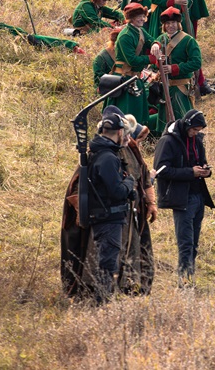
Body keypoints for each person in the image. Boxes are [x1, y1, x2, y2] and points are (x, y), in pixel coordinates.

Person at [153, 109, 213, 285]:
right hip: (181, 198)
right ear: (187, 125)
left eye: (199, 131)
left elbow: (201, 161)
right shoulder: (167, 141)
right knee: (185, 242)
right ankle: (183, 281)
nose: (196, 133)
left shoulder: (197, 141)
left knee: (194, 242)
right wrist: (190, 172)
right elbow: (161, 170)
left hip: (198, 196)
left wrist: (206, 171)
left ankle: (190, 277)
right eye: (194, 130)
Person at [84, 108, 135, 300]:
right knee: (107, 265)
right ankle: (102, 305)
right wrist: (130, 182)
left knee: (106, 263)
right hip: (109, 217)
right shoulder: (107, 158)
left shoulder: (101, 154)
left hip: (105, 216)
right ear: (120, 132)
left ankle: (103, 302)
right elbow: (117, 191)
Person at [117, 113, 156, 294]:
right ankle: (130, 287)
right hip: (125, 213)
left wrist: (151, 203)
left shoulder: (134, 151)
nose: (139, 142)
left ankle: (143, 288)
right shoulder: (120, 152)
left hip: (139, 211)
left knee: (144, 250)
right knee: (129, 251)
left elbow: (144, 179)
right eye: (138, 138)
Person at [148, 5, 201, 132]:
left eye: (173, 23)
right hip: (165, 86)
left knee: (183, 122)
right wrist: (155, 45)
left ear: (178, 24)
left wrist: (173, 69)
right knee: (164, 123)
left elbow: (196, 63)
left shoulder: (188, 40)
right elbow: (156, 48)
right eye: (167, 23)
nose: (170, 26)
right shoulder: (162, 38)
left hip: (180, 87)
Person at [112, 3, 152, 125]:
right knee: (125, 117)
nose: (141, 19)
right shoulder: (125, 36)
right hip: (125, 79)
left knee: (137, 115)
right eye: (138, 16)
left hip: (135, 77)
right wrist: (150, 59)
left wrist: (156, 44)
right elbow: (132, 60)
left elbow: (151, 40)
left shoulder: (140, 31)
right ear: (131, 19)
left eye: (142, 16)